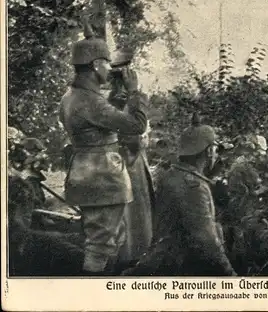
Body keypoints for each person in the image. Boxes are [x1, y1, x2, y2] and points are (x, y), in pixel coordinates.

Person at [59, 20, 149, 276]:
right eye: (107, 63)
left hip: (85, 172)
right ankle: (94, 293)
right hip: (103, 179)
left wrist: (113, 103)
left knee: (106, 239)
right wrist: (134, 93)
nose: (110, 69)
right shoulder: (91, 102)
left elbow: (94, 125)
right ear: (96, 65)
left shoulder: (71, 97)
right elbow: (136, 125)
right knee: (100, 246)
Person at [123, 114, 237, 276]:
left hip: (165, 260)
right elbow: (206, 242)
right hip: (178, 268)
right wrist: (231, 275)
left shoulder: (172, 175)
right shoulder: (193, 187)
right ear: (209, 151)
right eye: (215, 150)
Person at [107, 49, 155, 269]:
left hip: (127, 162)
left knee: (132, 216)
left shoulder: (119, 100)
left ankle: (130, 256)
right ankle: (129, 260)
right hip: (125, 163)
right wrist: (135, 94)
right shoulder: (119, 101)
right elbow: (136, 133)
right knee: (131, 218)